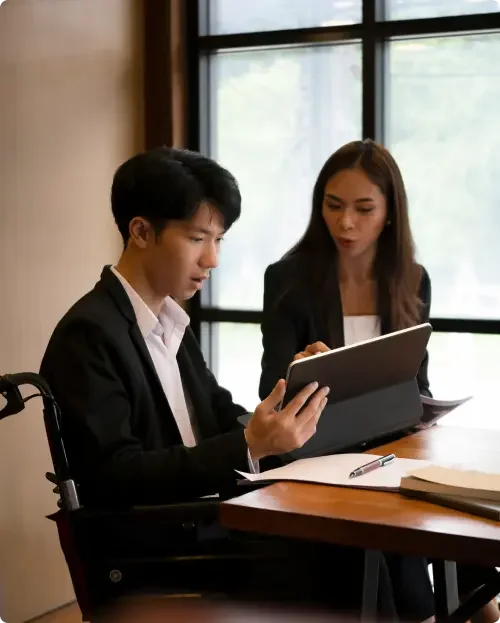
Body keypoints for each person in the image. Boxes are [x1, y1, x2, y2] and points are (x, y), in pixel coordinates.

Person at [39, 146, 400, 617]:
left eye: (220, 240)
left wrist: (293, 396)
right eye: (197, 238)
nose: (212, 259)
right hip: (158, 545)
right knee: (352, 553)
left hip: (202, 519)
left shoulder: (168, 320)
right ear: (142, 231)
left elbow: (216, 413)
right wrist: (250, 443)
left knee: (364, 538)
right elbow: (113, 477)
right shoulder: (89, 334)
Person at [259, 139, 500, 622]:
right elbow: (269, 392)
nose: (345, 222)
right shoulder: (288, 279)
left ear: (390, 212)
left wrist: (427, 409)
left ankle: (474, 606)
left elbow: (417, 381)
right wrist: (300, 368)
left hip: (391, 445)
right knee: (400, 553)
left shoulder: (411, 278)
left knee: (459, 510)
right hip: (319, 453)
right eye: (333, 205)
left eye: (364, 208)